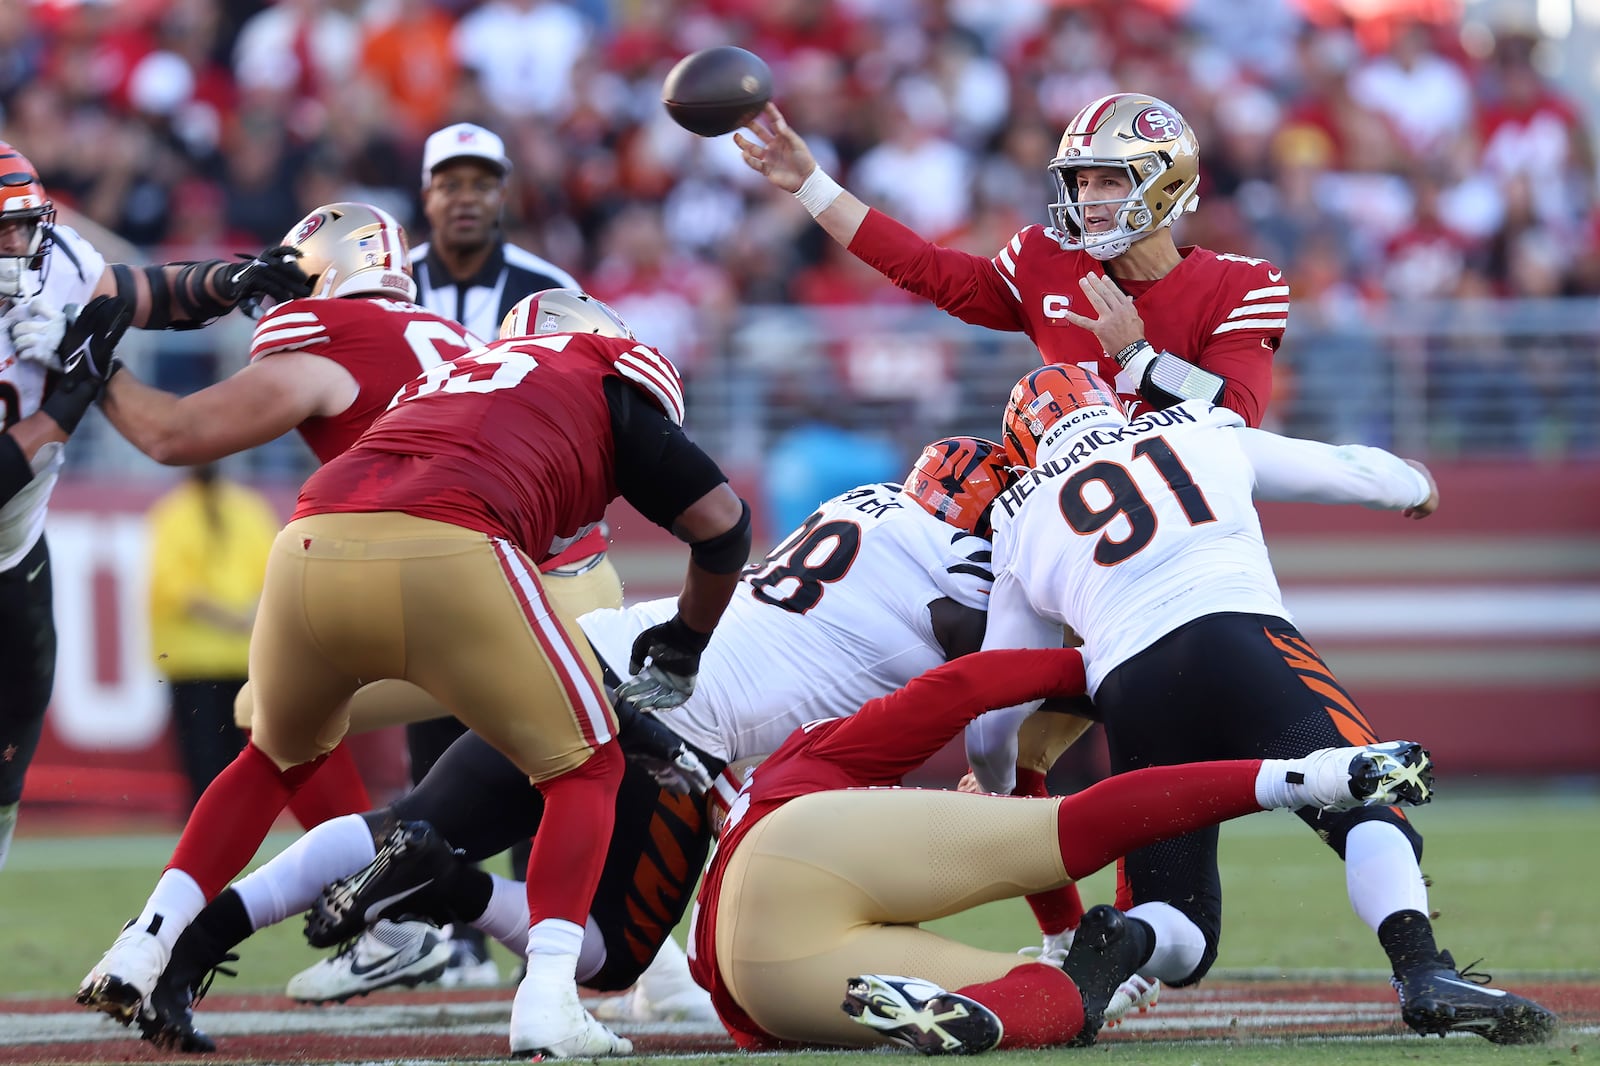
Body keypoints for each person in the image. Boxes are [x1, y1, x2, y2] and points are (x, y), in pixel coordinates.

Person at [126, 433, 1028, 1052]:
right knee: (617, 953)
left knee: (404, 817)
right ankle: (449, 886)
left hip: (591, 650)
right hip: (674, 728)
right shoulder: (968, 568)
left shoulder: (866, 507)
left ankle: (194, 940)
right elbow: (984, 688)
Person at [78, 286, 753, 1060]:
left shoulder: (452, 377)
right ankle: (548, 1002)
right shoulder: (604, 373)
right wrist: (684, 644)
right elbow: (723, 526)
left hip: (310, 543)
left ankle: (145, 943)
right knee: (586, 766)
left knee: (270, 760)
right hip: (454, 551)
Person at [962, 364, 1557, 1046]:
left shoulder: (1020, 516)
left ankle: (1125, 939)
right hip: (1240, 638)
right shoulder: (1196, 427)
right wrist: (1413, 482)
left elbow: (994, 698)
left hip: (1132, 689)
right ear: (1105, 404)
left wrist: (998, 781)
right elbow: (1343, 470)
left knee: (1180, 924)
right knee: (1367, 797)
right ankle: (1423, 968)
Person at [688, 646, 1435, 1053]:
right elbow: (958, 689)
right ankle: (1316, 773)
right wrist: (1097, 667)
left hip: (751, 979)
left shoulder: (782, 763)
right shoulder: (814, 755)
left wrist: (1059, 937)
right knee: (1067, 832)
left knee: (1060, 1001)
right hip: (798, 850)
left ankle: (971, 1021)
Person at [340, 119, 612, 994]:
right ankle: (437, 919)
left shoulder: (547, 287)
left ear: (502, 193)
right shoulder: (386, 283)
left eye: (480, 182)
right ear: (426, 195)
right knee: (435, 719)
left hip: (523, 528)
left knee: (537, 730)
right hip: (414, 521)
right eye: (450, 183)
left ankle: (530, 918)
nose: (465, 197)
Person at [0, 140, 308, 870]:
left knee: (7, 765)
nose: (17, 243)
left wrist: (233, 279)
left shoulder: (60, 264)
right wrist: (69, 403)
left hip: (16, 552)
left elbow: (145, 295)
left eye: (23, 223)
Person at [734, 93, 1287, 428]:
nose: (1088, 201)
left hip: (1185, 523)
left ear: (1165, 186)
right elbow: (923, 267)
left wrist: (1137, 358)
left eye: (1110, 181)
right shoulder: (1043, 258)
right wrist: (811, 187)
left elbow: (1238, 415)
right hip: (1070, 523)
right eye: (1081, 181)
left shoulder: (1243, 285)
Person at [146, 464, 280, 808]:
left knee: (206, 760)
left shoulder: (174, 513)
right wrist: (242, 615)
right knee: (238, 758)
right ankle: (234, 829)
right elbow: (277, 570)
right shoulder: (247, 508)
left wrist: (227, 616)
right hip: (230, 657)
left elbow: (172, 586)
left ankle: (206, 838)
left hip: (200, 659)